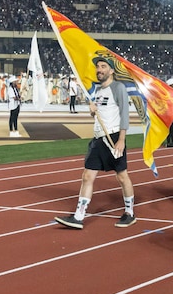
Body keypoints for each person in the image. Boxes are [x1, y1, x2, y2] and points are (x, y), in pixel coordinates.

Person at [54, 56, 136, 230]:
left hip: (113, 137)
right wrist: (93, 112)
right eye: (98, 66)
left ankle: (129, 213)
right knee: (87, 176)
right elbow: (102, 113)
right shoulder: (98, 90)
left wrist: (121, 139)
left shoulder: (118, 87)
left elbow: (125, 114)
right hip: (98, 139)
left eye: (103, 66)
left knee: (122, 176)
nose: (99, 69)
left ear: (111, 70)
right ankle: (78, 216)